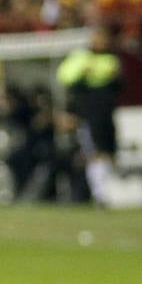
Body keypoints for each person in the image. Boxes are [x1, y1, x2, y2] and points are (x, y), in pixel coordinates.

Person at [56, 25, 122, 206]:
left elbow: (118, 85)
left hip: (106, 112)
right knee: (95, 152)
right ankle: (100, 194)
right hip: (87, 114)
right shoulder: (80, 57)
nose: (101, 41)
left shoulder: (111, 59)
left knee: (109, 152)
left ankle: (108, 192)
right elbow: (65, 77)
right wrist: (84, 75)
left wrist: (113, 78)